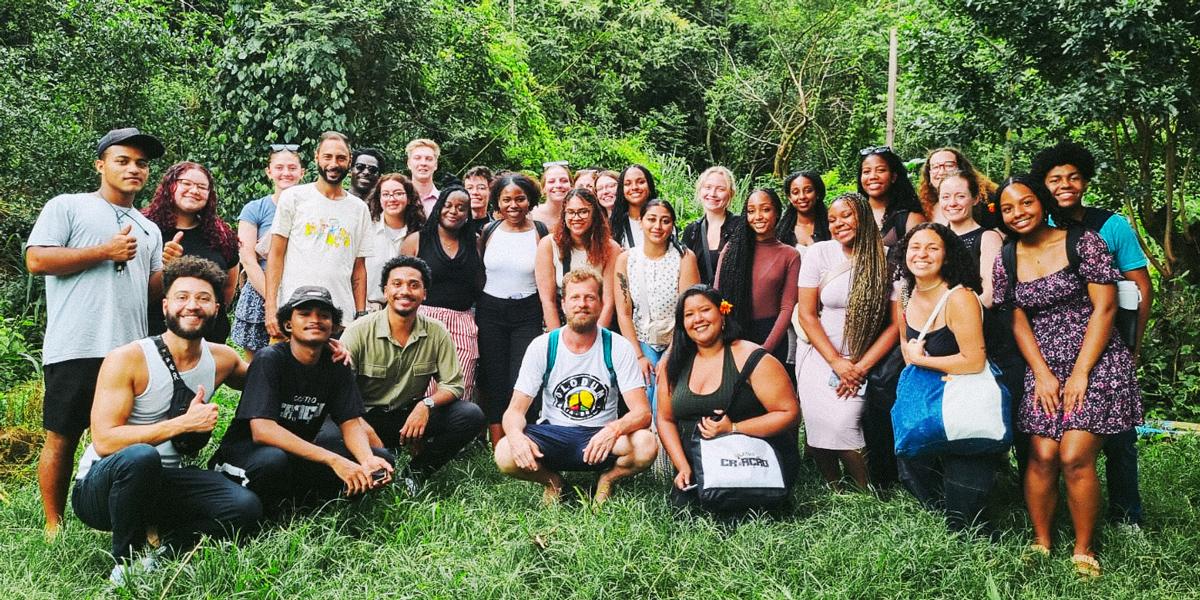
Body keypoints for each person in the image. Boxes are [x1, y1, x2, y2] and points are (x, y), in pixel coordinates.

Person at [72, 257, 261, 584]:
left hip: (164, 482)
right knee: (141, 456)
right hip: (102, 488)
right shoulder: (128, 358)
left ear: (216, 307)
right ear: (165, 306)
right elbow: (104, 440)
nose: (193, 306)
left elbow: (270, 376)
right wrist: (182, 425)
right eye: (182, 297)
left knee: (244, 507)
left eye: (203, 298)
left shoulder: (222, 358)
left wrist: (318, 348)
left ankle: (166, 550)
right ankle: (126, 565)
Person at [25, 127, 173, 537]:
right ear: (100, 164)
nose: (133, 169)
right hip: (76, 344)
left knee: (131, 441)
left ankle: (132, 521)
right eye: (123, 160)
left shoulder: (149, 228)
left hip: (128, 353)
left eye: (141, 164)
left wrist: (171, 269)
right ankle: (53, 526)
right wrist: (103, 252)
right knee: (63, 435)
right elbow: (37, 260)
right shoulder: (67, 206)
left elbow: (148, 289)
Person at [993, 175, 1142, 577]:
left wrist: (1080, 373)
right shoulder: (1006, 256)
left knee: (1074, 455)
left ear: (1041, 202)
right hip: (1044, 364)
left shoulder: (1082, 241)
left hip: (1097, 359)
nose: (1018, 213)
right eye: (1008, 208)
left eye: (1025, 203)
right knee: (1041, 454)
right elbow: (1017, 319)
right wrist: (1042, 373)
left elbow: (1106, 308)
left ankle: (1084, 548)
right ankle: (1042, 540)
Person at [1031, 141, 1152, 529]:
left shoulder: (1110, 225)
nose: (1065, 185)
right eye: (1055, 179)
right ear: (1043, 186)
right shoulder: (1038, 226)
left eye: (1073, 177)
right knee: (1054, 439)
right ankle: (1059, 515)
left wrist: (1133, 342)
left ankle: (1126, 514)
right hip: (1052, 347)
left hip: (1108, 341)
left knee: (1118, 437)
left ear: (1084, 181)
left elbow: (1140, 286)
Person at [211, 286, 395, 509]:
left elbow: (350, 422)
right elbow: (263, 431)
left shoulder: (336, 364)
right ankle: (274, 507)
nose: (315, 320)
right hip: (246, 455)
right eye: (305, 314)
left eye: (324, 315)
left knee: (380, 458)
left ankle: (301, 501)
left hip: (297, 453)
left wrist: (367, 460)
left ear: (334, 327)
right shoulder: (269, 359)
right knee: (273, 461)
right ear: (288, 324)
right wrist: (334, 460)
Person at [493, 269, 658, 504]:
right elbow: (514, 411)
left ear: (601, 304)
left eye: (590, 297)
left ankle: (608, 479)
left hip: (600, 435)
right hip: (553, 435)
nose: (582, 304)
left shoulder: (617, 347)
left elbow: (643, 413)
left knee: (646, 445)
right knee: (504, 451)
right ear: (563, 303)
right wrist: (516, 437)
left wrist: (613, 430)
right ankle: (553, 482)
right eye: (575, 297)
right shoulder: (543, 346)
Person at [341, 256, 486, 490]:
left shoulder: (437, 332)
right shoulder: (358, 332)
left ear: (424, 293)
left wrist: (425, 405)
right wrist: (365, 430)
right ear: (385, 290)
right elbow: (340, 394)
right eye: (397, 284)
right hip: (362, 418)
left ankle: (414, 474)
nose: (405, 291)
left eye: (414, 285)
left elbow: (454, 385)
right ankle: (374, 465)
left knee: (470, 415)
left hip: (408, 418)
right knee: (333, 436)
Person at [894, 223, 1002, 533]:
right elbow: (906, 343)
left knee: (966, 522)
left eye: (932, 248)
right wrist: (914, 359)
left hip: (968, 403)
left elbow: (973, 360)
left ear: (948, 255)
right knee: (920, 481)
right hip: (931, 400)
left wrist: (921, 361)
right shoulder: (906, 292)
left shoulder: (959, 297)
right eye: (915, 247)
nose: (922, 254)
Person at [656, 285, 801, 510]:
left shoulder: (752, 357)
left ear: (722, 313)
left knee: (742, 515)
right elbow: (665, 419)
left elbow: (789, 413)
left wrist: (734, 427)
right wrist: (682, 466)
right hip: (697, 466)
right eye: (689, 314)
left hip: (751, 464)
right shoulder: (672, 364)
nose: (698, 319)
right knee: (687, 518)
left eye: (705, 310)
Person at [794, 192, 898, 490]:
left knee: (845, 423)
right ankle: (833, 486)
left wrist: (859, 367)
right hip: (819, 354)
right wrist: (836, 362)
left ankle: (864, 490)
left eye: (846, 215)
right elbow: (807, 314)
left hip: (861, 357)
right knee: (818, 425)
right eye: (832, 219)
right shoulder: (820, 253)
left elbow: (894, 325)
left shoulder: (887, 258)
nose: (839, 224)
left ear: (863, 215)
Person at [857, 146, 925, 487]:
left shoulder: (908, 218)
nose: (872, 177)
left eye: (879, 170)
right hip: (860, 317)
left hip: (899, 312)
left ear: (893, 175)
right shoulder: (853, 214)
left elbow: (918, 267)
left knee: (885, 387)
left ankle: (903, 472)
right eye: (866, 171)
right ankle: (874, 471)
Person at [264, 131, 373, 336]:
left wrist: (360, 315)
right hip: (295, 312)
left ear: (349, 161)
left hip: (340, 319)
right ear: (317, 158)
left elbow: (359, 268)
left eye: (341, 158)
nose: (334, 163)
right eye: (328, 157)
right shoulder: (294, 198)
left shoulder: (359, 209)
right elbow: (276, 255)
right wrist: (271, 308)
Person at [475, 173, 551, 446]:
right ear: (497, 201)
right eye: (506, 199)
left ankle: (523, 439)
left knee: (524, 376)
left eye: (520, 198)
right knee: (493, 377)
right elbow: (481, 272)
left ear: (530, 200)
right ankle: (498, 446)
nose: (513, 205)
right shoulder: (489, 231)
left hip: (527, 311)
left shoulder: (541, 231)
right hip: (490, 310)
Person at [614, 199, 700, 412]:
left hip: (678, 338)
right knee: (646, 392)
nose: (657, 227)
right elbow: (624, 313)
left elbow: (688, 311)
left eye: (665, 221)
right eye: (651, 219)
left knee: (667, 397)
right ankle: (649, 444)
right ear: (640, 221)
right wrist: (639, 356)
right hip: (642, 340)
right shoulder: (626, 259)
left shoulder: (684, 257)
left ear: (672, 225)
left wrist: (671, 354)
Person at [401, 187, 485, 403]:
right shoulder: (417, 240)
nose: (453, 211)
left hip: (462, 322)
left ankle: (452, 435)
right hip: (422, 320)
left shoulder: (475, 242)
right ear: (438, 208)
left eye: (461, 208)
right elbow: (399, 282)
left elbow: (480, 281)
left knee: (459, 386)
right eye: (448, 205)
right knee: (421, 386)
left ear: (468, 213)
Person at [142, 162, 239, 342]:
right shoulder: (145, 228)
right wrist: (166, 267)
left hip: (209, 339)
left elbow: (227, 288)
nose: (194, 190)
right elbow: (136, 293)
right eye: (186, 183)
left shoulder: (221, 234)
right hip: (155, 337)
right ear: (170, 186)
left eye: (202, 187)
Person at [233, 145, 304, 360]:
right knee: (257, 365)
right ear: (269, 172)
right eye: (279, 167)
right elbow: (248, 259)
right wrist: (273, 298)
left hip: (299, 293)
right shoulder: (255, 209)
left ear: (302, 173)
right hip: (261, 292)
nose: (286, 173)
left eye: (292, 168)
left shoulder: (310, 207)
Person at [714, 189, 800, 367]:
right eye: (751, 211)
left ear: (777, 212)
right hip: (734, 331)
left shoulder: (790, 255)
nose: (758, 216)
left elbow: (787, 308)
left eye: (765, 209)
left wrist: (765, 349)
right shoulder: (731, 250)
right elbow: (716, 295)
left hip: (770, 335)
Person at [535, 188, 622, 330]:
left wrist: (596, 339)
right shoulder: (548, 245)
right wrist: (557, 340)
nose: (576, 217)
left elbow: (608, 302)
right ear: (564, 215)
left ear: (594, 214)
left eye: (583, 211)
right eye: (570, 212)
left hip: (597, 323)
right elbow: (547, 301)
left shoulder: (611, 248)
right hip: (561, 323)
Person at [932, 170, 1003, 307]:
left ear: (975, 199)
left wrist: (953, 317)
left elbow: (990, 294)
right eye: (945, 197)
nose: (952, 203)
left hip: (975, 319)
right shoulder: (935, 238)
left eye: (960, 196)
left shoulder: (988, 238)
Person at [364, 173, 424, 309]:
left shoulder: (419, 234)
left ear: (408, 198)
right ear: (379, 198)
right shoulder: (366, 228)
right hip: (368, 308)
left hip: (406, 309)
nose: (392, 199)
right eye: (385, 194)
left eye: (398, 193)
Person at [681, 166, 743, 285]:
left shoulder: (740, 227)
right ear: (700, 191)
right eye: (707, 187)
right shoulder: (692, 231)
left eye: (720, 189)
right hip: (700, 301)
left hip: (731, 302)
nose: (712, 194)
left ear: (730, 193)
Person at [916, 147, 998, 225]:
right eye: (935, 167)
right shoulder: (924, 205)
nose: (941, 172)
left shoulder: (984, 200)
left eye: (949, 165)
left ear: (962, 169)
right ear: (928, 173)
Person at [777, 170, 831, 254]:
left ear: (817, 193)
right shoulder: (781, 232)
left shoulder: (831, 226)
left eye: (808, 191)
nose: (802, 196)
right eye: (795, 192)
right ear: (789, 197)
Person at [609, 164, 656, 248]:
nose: (634, 187)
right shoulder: (614, 226)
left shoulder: (662, 220)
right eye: (627, 184)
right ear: (621, 190)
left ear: (650, 186)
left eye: (641, 182)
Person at [406, 138, 441, 217]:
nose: (423, 163)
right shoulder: (399, 200)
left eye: (428, 159)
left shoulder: (445, 201)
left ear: (436, 165)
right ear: (408, 163)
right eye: (417, 158)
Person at [463, 165, 494, 231]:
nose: (475, 192)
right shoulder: (455, 227)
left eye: (481, 188)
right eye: (469, 188)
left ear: (490, 191)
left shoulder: (496, 228)